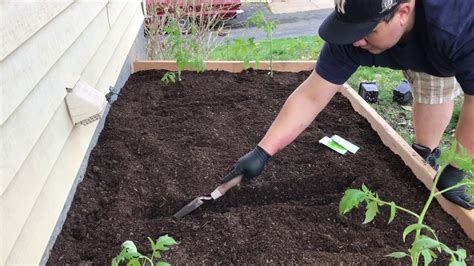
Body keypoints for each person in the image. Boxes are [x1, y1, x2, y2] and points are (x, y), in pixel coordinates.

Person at [223, 0, 473, 209]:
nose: (356, 41)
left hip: (446, 43)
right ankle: (421, 157)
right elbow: (311, 95)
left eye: (366, 31)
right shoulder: (353, 35)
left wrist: (457, 167)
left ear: (403, 13)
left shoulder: (458, 29)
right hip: (421, 39)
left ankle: (426, 158)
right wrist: (262, 152)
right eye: (351, 30)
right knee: (426, 80)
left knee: (436, 88)